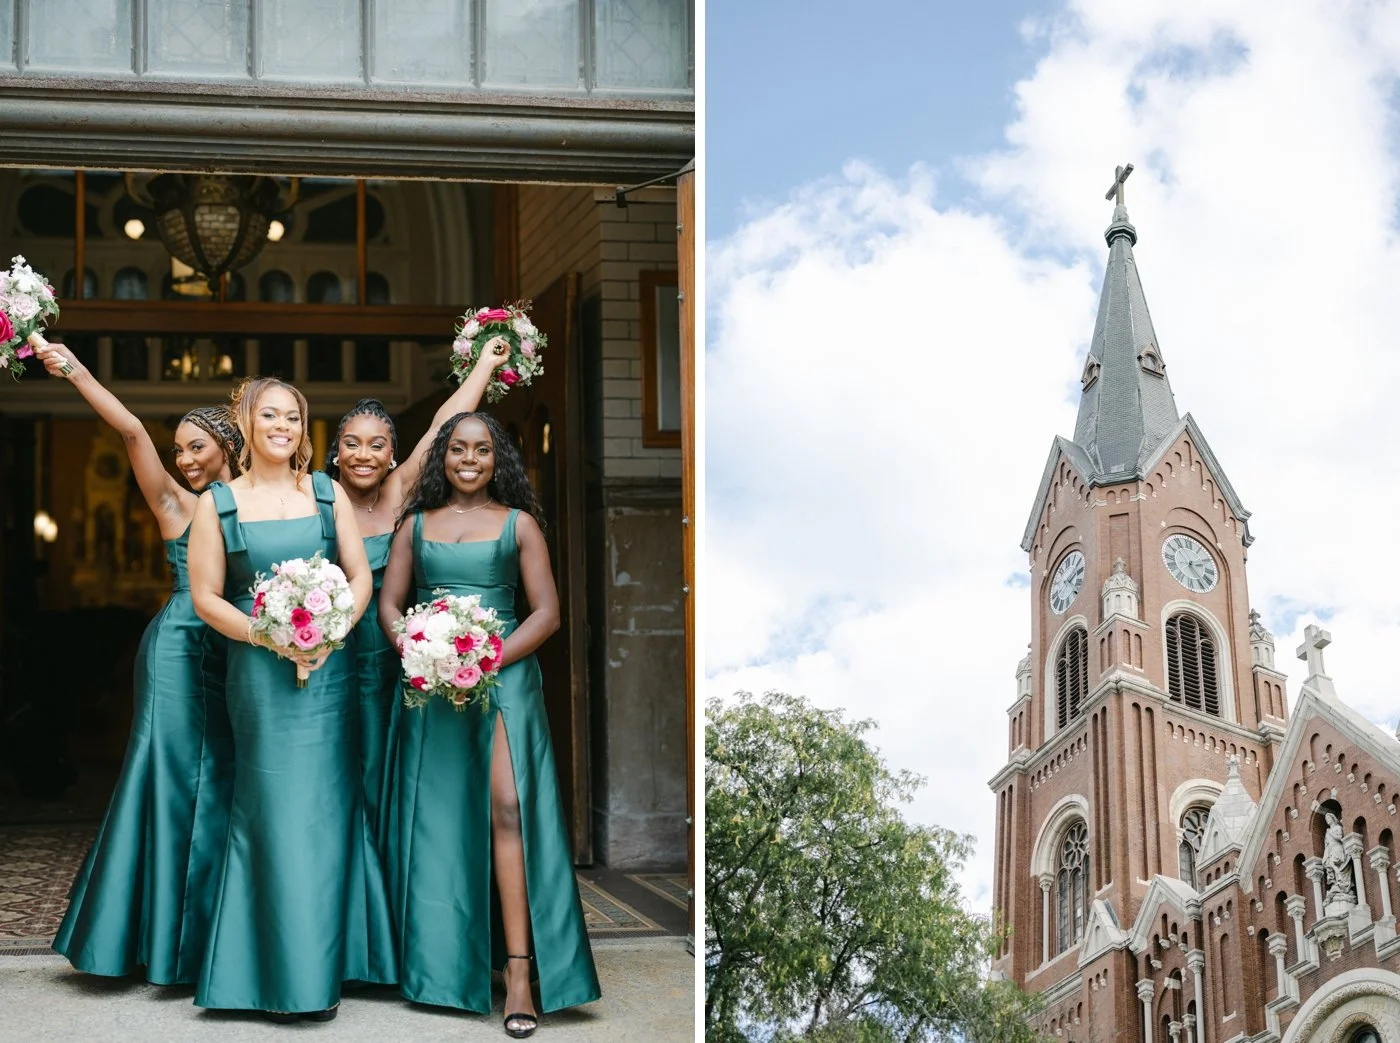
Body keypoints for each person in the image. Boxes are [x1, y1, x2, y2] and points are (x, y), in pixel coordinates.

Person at [379, 411, 600, 1037]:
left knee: (508, 810)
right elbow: (390, 607)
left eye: (481, 449)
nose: (468, 459)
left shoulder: (520, 525)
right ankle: (447, 965)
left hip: (503, 680)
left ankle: (522, 973)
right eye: (456, 449)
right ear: (441, 458)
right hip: (434, 684)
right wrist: (420, 652)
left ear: (497, 458)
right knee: (444, 820)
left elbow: (547, 613)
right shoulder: (415, 527)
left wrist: (485, 657)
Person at [33, 335, 241, 985]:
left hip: (238, 649)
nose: (184, 460)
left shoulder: (264, 500)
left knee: (227, 782)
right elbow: (128, 430)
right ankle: (144, 937)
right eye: (177, 450)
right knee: (170, 775)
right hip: (179, 648)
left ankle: (211, 930)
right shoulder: (176, 505)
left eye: (196, 446)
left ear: (230, 444)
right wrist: (71, 367)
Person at [187, 376, 394, 1021]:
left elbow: (359, 578)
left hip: (327, 672)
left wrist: (331, 631)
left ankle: (331, 967)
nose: (284, 426)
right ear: (246, 422)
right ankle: (265, 974)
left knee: (328, 807)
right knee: (269, 806)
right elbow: (206, 597)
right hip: (258, 672)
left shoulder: (329, 494)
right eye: (271, 415)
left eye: (295, 418)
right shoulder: (217, 503)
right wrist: (266, 635)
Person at [323, 349, 506, 854]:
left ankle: (390, 881)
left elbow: (443, 425)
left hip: (397, 658)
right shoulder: (317, 499)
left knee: (391, 771)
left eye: (377, 445)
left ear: (392, 455)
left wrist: (485, 366)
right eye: (352, 444)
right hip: (331, 662)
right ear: (336, 451)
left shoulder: (400, 492)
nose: (364, 454)